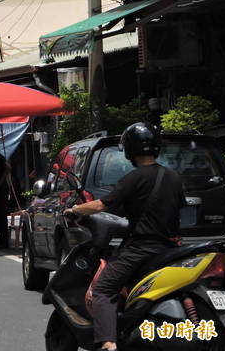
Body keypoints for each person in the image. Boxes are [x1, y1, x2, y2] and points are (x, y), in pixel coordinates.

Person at [63, 122, 184, 351]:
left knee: (103, 289)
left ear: (129, 150)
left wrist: (75, 210)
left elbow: (101, 205)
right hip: (170, 249)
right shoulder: (174, 178)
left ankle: (108, 343)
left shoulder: (134, 178)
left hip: (140, 249)